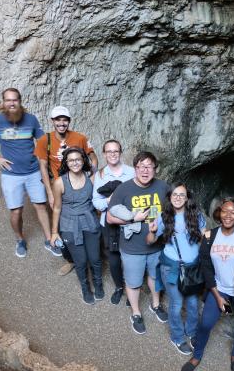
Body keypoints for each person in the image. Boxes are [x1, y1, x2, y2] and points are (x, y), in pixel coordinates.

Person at [0, 88, 62, 259]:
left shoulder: (31, 119)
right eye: (8, 100)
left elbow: (43, 142)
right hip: (11, 175)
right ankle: (20, 240)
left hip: (34, 172)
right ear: (3, 102)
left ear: (20, 101)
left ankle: (49, 240)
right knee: (16, 212)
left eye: (15, 100)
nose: (11, 103)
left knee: (41, 206)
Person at [180, 197, 234, 371]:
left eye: (233, 212)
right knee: (205, 323)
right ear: (219, 213)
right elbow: (206, 267)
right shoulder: (209, 236)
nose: (228, 216)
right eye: (224, 211)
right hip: (218, 288)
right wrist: (218, 295)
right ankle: (196, 355)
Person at [107, 151, 169, 335]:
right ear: (135, 169)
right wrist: (134, 219)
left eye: (149, 166)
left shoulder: (163, 186)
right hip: (132, 248)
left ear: (155, 169)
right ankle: (135, 312)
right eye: (141, 166)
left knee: (155, 277)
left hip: (157, 245)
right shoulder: (124, 189)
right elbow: (110, 218)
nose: (145, 170)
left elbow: (176, 205)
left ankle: (156, 305)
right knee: (133, 282)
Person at [34, 106, 98, 276]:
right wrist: (49, 192)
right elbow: (43, 166)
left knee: (87, 218)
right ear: (52, 121)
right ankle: (71, 260)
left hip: (79, 184)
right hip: (59, 187)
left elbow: (92, 157)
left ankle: (89, 256)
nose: (61, 123)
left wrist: (91, 177)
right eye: (58, 120)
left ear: (69, 121)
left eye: (64, 120)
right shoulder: (44, 140)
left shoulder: (80, 138)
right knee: (63, 226)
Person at [147, 183, 206, 355]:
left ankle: (192, 332)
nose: (178, 198)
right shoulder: (163, 217)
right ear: (170, 197)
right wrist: (152, 231)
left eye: (181, 195)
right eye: (175, 194)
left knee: (193, 303)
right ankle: (177, 337)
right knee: (177, 303)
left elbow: (202, 240)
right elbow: (150, 240)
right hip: (172, 267)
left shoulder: (196, 216)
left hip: (192, 268)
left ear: (187, 197)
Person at [50, 147, 102, 305]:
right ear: (66, 162)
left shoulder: (91, 178)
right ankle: (85, 288)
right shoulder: (60, 183)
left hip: (89, 221)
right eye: (71, 160)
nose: (75, 163)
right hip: (69, 224)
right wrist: (54, 232)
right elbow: (57, 208)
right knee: (80, 261)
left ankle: (98, 283)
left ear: (83, 160)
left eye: (78, 159)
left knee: (95, 258)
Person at [92, 140, 135, 305]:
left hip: (130, 222)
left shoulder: (132, 172)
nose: (112, 154)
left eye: (115, 151)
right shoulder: (100, 175)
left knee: (131, 257)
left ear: (120, 152)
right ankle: (119, 287)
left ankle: (133, 289)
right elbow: (96, 202)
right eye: (109, 151)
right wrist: (109, 200)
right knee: (114, 258)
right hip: (108, 223)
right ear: (104, 154)